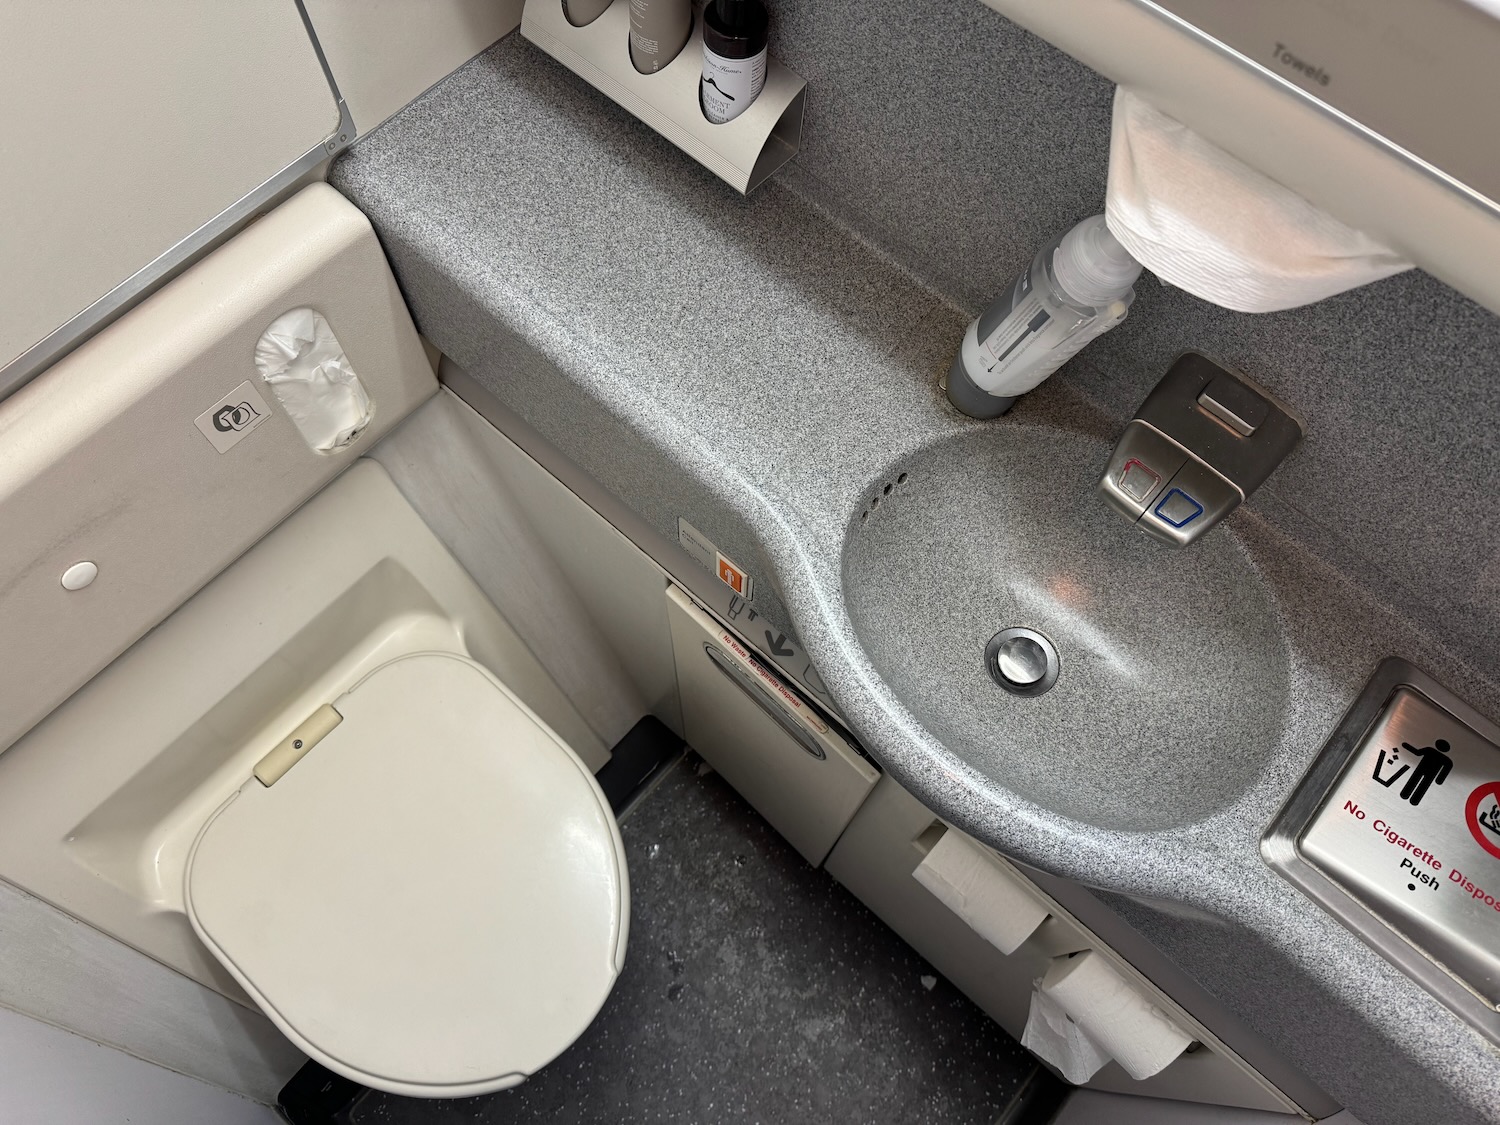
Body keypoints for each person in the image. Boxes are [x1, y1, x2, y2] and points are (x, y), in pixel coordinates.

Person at [1398, 739, 1451, 806]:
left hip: (1421, 769)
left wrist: (1406, 746)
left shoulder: (1430, 750)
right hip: (1430, 774)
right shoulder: (1445, 759)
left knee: (1414, 782)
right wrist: (1439, 780)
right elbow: (1447, 768)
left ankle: (1405, 794)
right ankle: (1414, 800)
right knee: (1422, 786)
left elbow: (1417, 752)